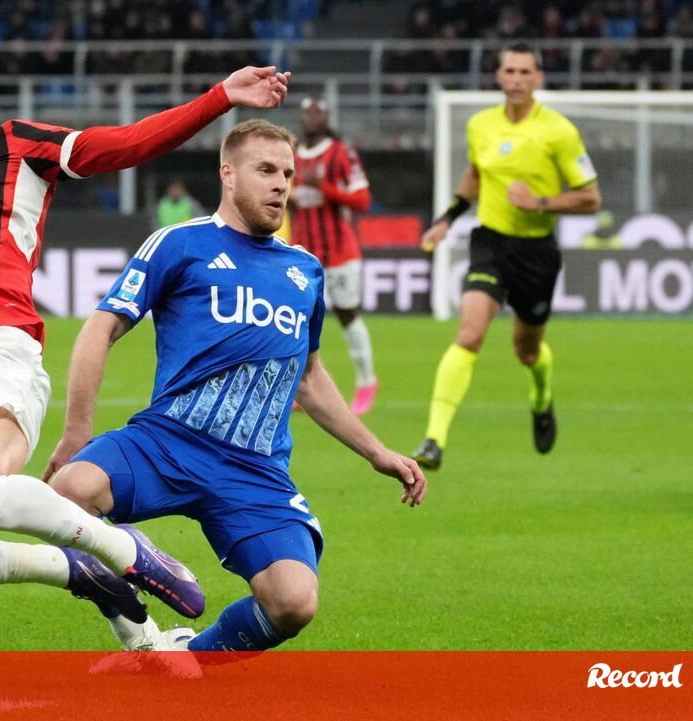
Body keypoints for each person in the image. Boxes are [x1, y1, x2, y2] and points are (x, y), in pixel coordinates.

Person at [0, 52, 293, 626]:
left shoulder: (17, 148)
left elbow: (128, 143)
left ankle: (125, 550)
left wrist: (220, 98)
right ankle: (74, 569)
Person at [43, 119, 426, 657]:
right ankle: (137, 623)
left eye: (287, 174)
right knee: (67, 494)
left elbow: (309, 377)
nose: (281, 185)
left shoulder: (304, 270)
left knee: (294, 603)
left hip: (254, 466)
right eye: (266, 170)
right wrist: (76, 431)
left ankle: (185, 661)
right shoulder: (181, 243)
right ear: (228, 173)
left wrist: (376, 452)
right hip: (168, 442)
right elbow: (100, 328)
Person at [413, 42, 601, 470]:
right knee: (469, 334)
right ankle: (434, 440)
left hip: (536, 251)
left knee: (527, 351)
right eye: (509, 71)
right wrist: (448, 218)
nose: (516, 80)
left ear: (538, 78)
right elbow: (476, 173)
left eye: (524, 72)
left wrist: (540, 203)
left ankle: (541, 397)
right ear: (498, 76)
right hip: (491, 243)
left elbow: (591, 198)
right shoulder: (480, 125)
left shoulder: (559, 131)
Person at [281, 97, 377, 415]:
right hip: (302, 253)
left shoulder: (341, 153)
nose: (311, 119)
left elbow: (362, 201)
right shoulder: (290, 154)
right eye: (306, 113)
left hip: (339, 252)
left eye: (317, 114)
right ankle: (300, 388)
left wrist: (323, 187)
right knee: (295, 320)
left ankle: (367, 381)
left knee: (348, 315)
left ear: (326, 118)